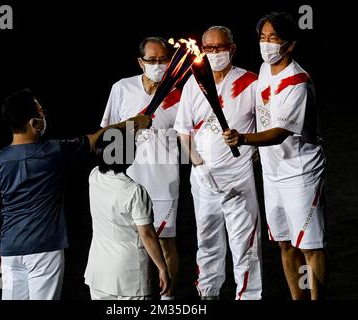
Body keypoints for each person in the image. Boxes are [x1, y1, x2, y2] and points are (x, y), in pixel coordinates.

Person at [0, 88, 151, 300]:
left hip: (10, 250)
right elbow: (97, 138)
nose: (44, 116)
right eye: (40, 112)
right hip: (45, 248)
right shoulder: (53, 152)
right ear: (33, 122)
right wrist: (134, 122)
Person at [223, 12, 327, 300]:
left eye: (274, 39)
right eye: (262, 38)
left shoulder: (297, 82)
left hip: (300, 173)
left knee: (310, 246)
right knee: (284, 243)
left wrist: (244, 139)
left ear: (289, 45)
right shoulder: (265, 69)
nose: (266, 44)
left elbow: (279, 132)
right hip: (272, 173)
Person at [174, 26, 262, 300]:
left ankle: (248, 296)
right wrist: (198, 166)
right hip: (204, 179)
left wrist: (253, 149)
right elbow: (183, 131)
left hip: (238, 178)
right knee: (208, 241)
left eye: (219, 47)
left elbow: (263, 127)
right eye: (208, 48)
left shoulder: (250, 82)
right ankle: (208, 294)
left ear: (232, 49)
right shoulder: (193, 83)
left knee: (245, 244)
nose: (214, 53)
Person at [100, 37, 181, 299]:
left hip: (165, 179)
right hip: (130, 179)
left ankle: (166, 300)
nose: (158, 65)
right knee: (134, 242)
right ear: (140, 62)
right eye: (152, 60)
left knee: (166, 242)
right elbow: (106, 132)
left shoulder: (179, 92)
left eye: (163, 60)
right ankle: (138, 295)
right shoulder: (122, 88)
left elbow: (189, 134)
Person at [84, 128, 170, 300]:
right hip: (129, 275)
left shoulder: (94, 176)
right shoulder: (134, 191)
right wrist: (162, 268)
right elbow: (147, 234)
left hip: (98, 271)